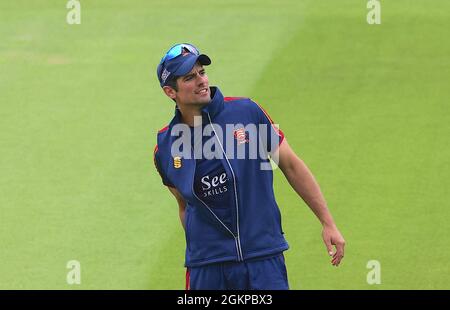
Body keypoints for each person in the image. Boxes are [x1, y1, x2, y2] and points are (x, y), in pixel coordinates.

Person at [153, 43, 345, 290]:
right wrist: (207, 250)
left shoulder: (247, 113)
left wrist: (327, 222)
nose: (201, 81)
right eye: (190, 77)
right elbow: (184, 205)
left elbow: (291, 166)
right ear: (171, 91)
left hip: (262, 257)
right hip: (207, 268)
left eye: (202, 72)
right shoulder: (165, 147)